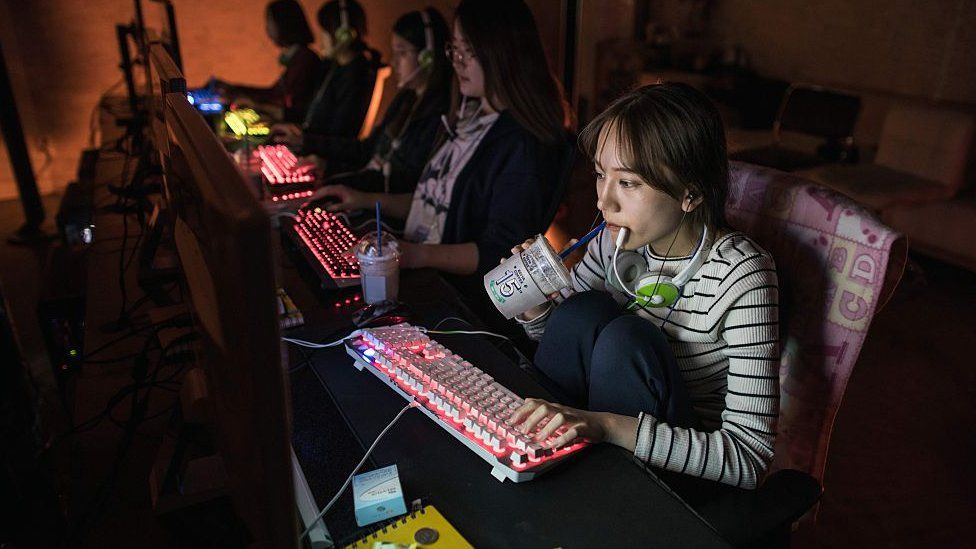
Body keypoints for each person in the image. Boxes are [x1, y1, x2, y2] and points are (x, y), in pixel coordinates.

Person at [506, 83, 780, 489]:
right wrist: (535, 309)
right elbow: (564, 346)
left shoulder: (742, 275)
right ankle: (538, 459)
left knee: (625, 337)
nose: (603, 202)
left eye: (629, 183)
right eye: (601, 175)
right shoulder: (611, 240)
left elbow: (748, 457)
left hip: (674, 473)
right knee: (582, 311)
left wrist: (607, 427)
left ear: (691, 193)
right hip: (597, 439)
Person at [311, 0, 571, 284]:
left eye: (469, 51)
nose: (457, 61)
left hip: (454, 293)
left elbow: (499, 252)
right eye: (455, 49)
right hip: (422, 266)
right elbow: (433, 202)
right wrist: (362, 199)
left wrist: (413, 255)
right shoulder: (466, 117)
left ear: (503, 54)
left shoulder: (524, 143)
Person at [303, 8, 453, 193]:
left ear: (427, 58)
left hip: (380, 203)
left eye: (402, 53)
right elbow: (367, 150)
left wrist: (343, 183)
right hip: (365, 189)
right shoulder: (406, 99)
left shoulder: (438, 114)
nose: (394, 62)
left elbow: (404, 182)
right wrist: (326, 166)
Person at [275, 0, 381, 165]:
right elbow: (314, 111)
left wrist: (305, 141)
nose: (321, 39)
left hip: (324, 159)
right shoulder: (333, 67)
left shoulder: (357, 75)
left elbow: (342, 134)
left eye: (323, 32)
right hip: (310, 144)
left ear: (343, 35)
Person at [215, 0, 324, 124]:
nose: (267, 28)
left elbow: (282, 98)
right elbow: (275, 93)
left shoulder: (304, 59)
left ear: (283, 24)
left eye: (270, 22)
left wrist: (245, 97)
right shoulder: (300, 58)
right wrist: (236, 90)